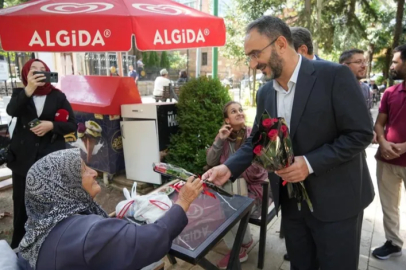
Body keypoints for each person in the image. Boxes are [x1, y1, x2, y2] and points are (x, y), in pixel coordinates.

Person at [202, 16, 374, 270]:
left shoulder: (334, 76)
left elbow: (360, 133)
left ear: (281, 43)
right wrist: (228, 168)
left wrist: (310, 163)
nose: (252, 64)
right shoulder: (265, 93)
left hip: (337, 204)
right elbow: (257, 139)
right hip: (291, 205)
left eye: (255, 54)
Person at [17, 148, 203, 269]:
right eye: (83, 170)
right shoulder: (87, 233)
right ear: (63, 186)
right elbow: (148, 242)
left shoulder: (38, 229)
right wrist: (184, 201)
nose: (94, 173)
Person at [6, 59, 77, 249]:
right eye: (34, 70)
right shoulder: (20, 94)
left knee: (50, 202)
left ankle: (49, 245)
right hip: (22, 160)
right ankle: (19, 246)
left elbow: (72, 125)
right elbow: (12, 111)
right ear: (26, 74)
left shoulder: (58, 96)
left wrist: (52, 125)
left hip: (49, 159)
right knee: (21, 204)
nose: (39, 73)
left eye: (43, 70)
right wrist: (28, 89)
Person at [206, 101, 269, 269]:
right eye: (234, 112)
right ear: (227, 120)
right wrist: (220, 140)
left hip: (254, 190)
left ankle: (237, 248)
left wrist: (230, 172)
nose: (239, 113)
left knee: (222, 200)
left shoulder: (252, 135)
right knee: (224, 194)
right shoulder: (224, 137)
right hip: (233, 191)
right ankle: (244, 242)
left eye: (240, 110)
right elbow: (210, 161)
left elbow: (258, 170)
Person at [372, 44, 406, 260]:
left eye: (395, 61)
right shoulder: (391, 92)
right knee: (388, 205)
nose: (392, 65)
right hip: (387, 160)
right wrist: (383, 142)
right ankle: (393, 242)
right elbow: (379, 123)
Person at [339, 49, 375, 139]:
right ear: (345, 66)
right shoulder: (334, 88)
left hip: (359, 144)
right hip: (338, 144)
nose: (363, 66)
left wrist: (371, 129)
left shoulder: (365, 88)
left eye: (365, 62)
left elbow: (367, 112)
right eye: (359, 62)